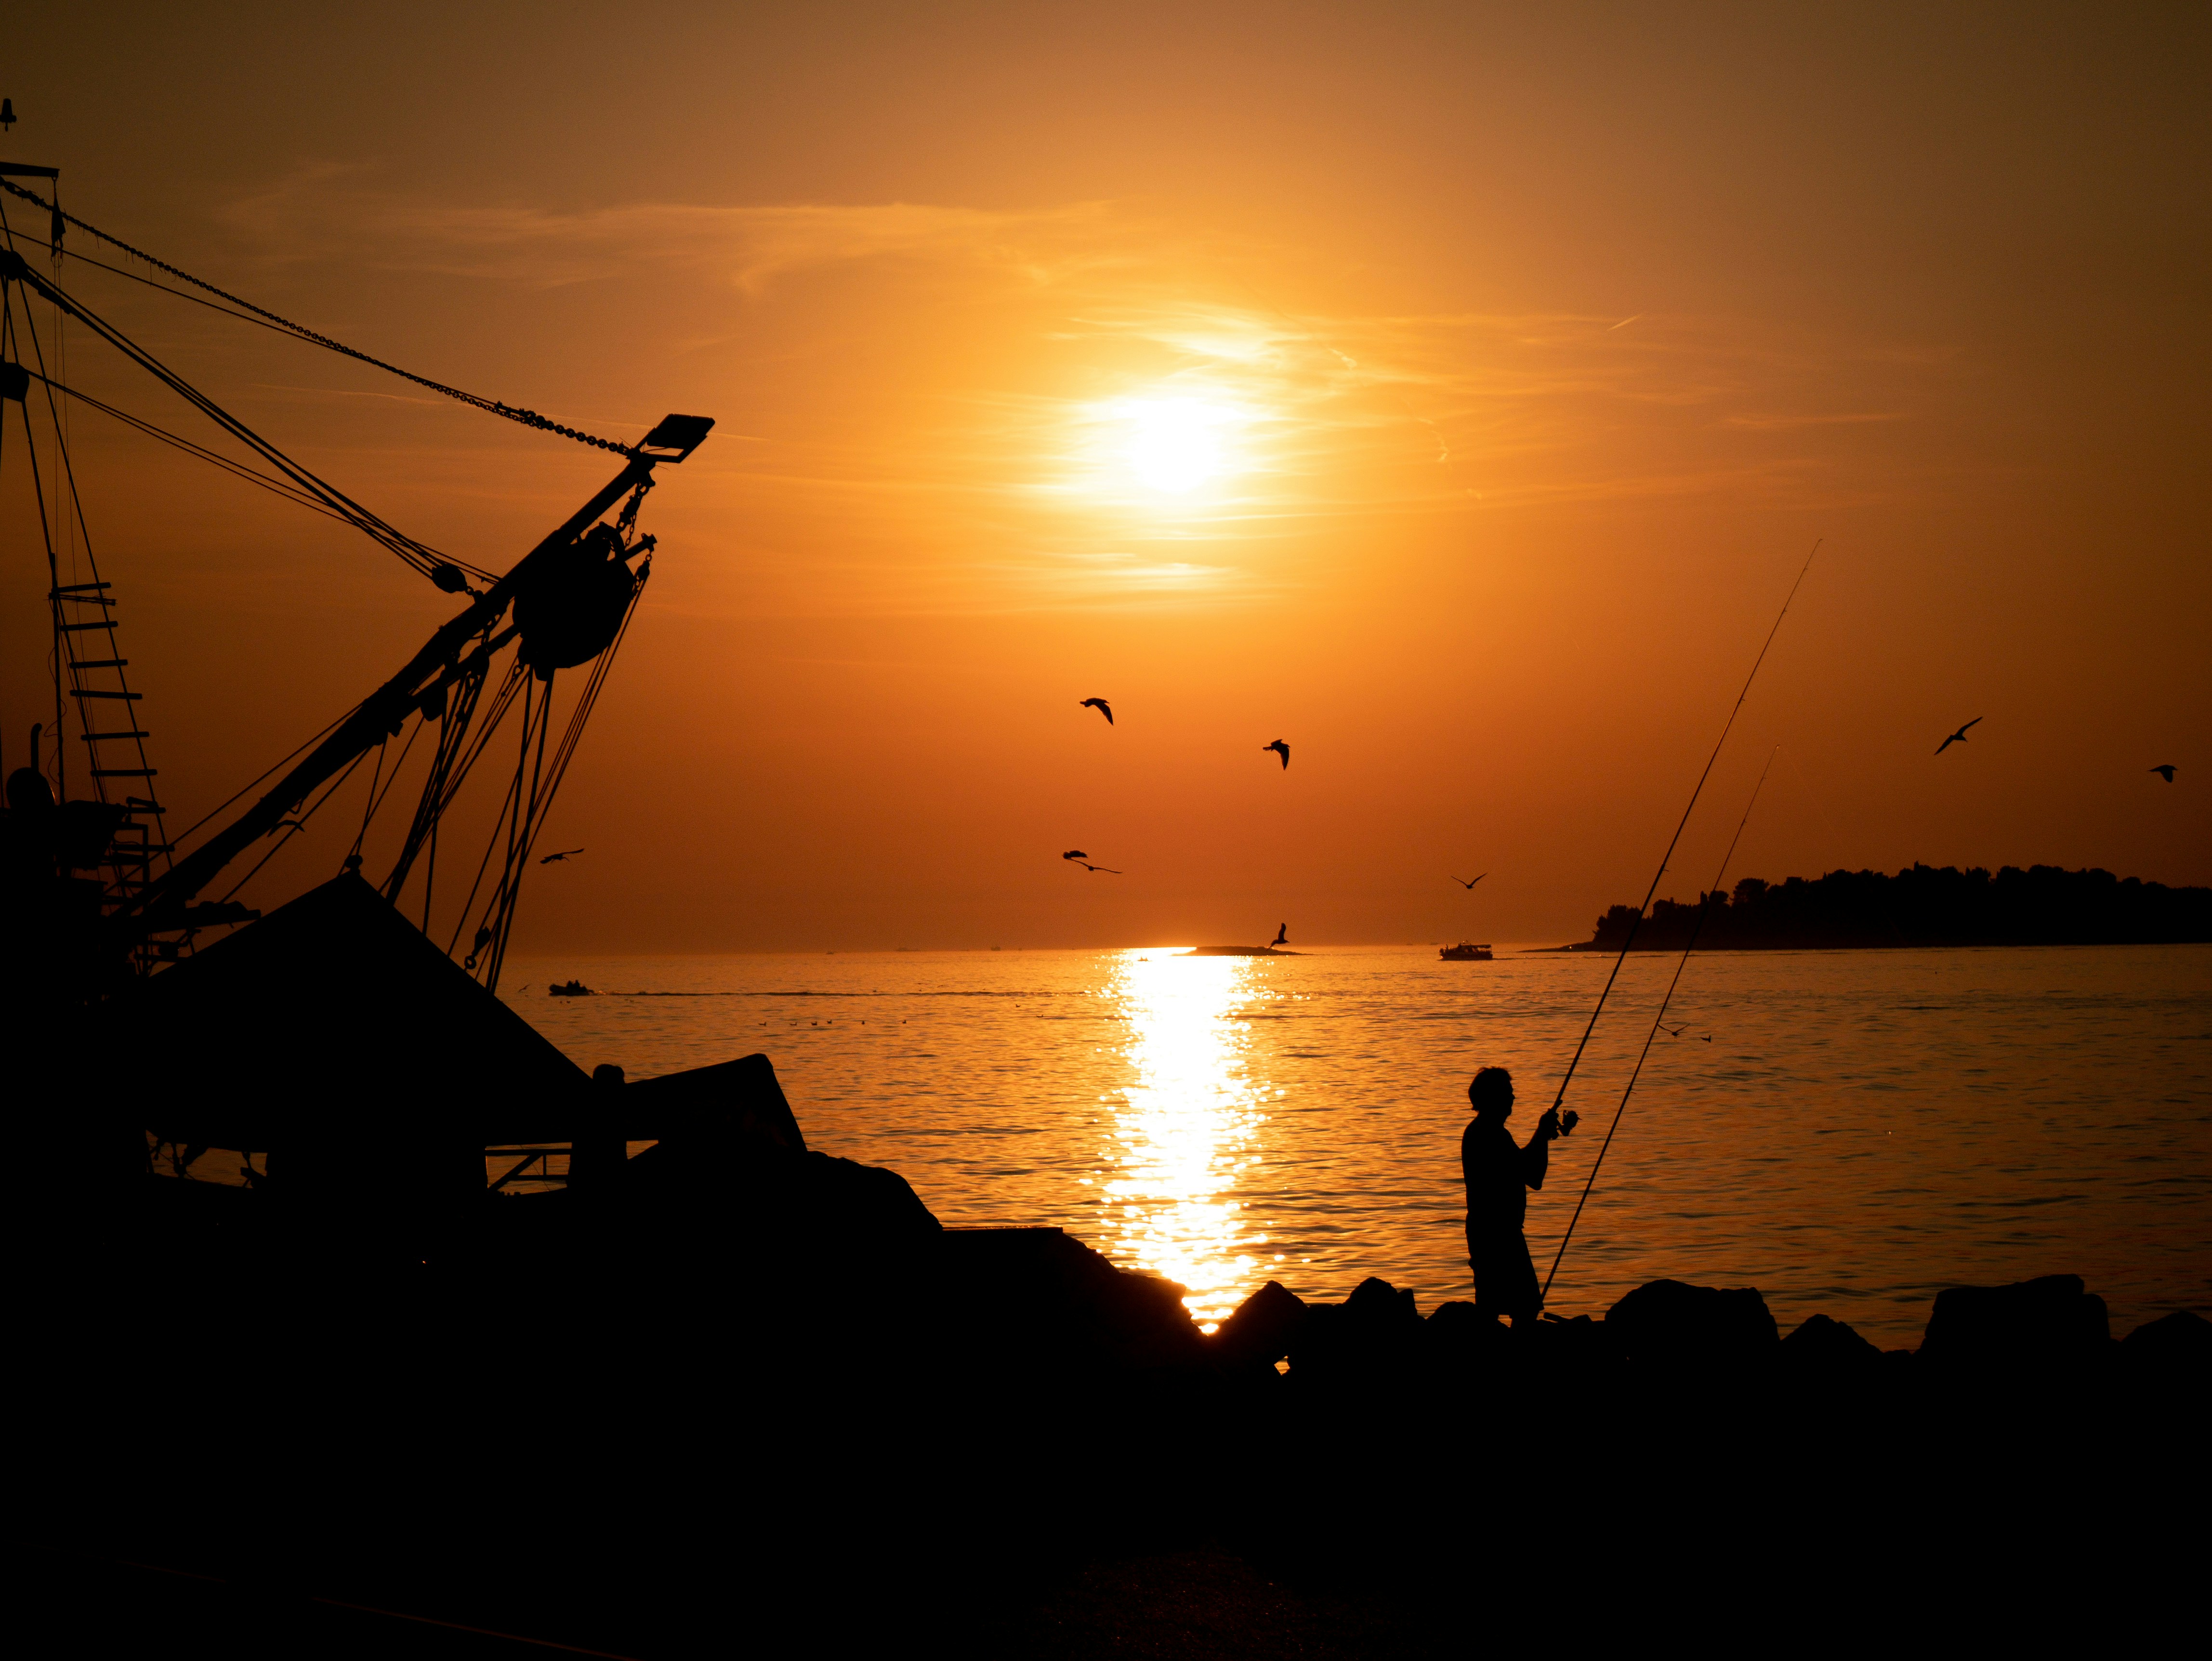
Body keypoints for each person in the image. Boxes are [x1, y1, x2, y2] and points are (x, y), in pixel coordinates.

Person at [1461, 1066, 1566, 1324]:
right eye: (1508, 1093)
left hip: (1489, 1231)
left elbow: (1524, 1168)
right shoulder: (1490, 1134)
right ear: (1493, 1097)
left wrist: (1542, 1136)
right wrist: (1541, 1134)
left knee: (1495, 1306)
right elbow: (1533, 1175)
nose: (1513, 1098)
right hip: (1498, 1233)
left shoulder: (1485, 1132)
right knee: (1523, 1308)